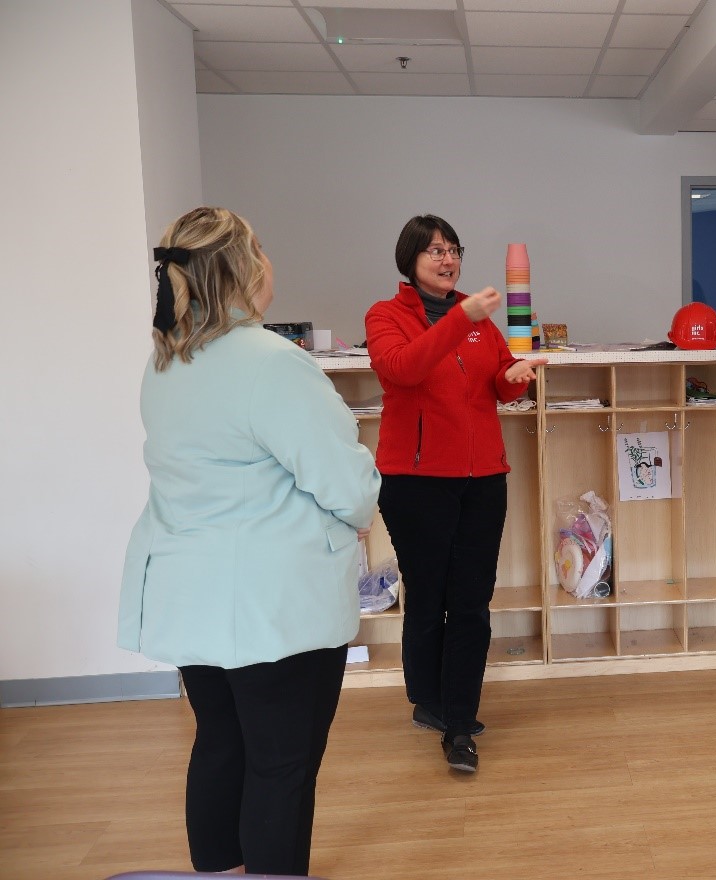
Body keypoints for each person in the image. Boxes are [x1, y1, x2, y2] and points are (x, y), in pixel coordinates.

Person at [118, 207, 381, 876]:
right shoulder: (273, 363)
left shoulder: (166, 361)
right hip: (272, 608)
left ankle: (221, 874)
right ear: (245, 269)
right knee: (281, 766)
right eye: (261, 250)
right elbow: (347, 488)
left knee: (221, 744)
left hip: (192, 596)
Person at [366, 214, 547, 773]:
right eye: (435, 251)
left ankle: (460, 719)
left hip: (483, 478)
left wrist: (515, 379)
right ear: (411, 260)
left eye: (453, 250)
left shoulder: (480, 320)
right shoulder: (387, 316)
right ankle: (430, 700)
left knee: (470, 602)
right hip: (415, 482)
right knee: (427, 599)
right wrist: (460, 319)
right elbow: (403, 369)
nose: (448, 260)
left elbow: (495, 386)